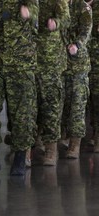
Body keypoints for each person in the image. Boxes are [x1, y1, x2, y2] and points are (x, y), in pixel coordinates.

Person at [0, 0, 39, 176]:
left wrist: (29, 11)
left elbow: (34, 11)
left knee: (22, 113)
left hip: (21, 62)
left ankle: (20, 158)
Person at [34, 0, 70, 166]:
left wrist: (56, 22)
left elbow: (66, 19)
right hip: (29, 60)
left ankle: (51, 148)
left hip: (51, 62)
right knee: (29, 107)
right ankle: (29, 146)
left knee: (51, 106)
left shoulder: (57, 1)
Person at [59, 0, 92, 159]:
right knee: (61, 104)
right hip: (60, 63)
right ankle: (62, 137)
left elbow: (86, 30)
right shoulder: (57, 5)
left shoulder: (82, 7)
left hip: (78, 64)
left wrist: (77, 45)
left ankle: (75, 144)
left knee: (77, 105)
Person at [87, 0, 99, 152]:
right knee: (88, 99)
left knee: (97, 97)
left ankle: (97, 134)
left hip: (96, 60)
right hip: (82, 59)